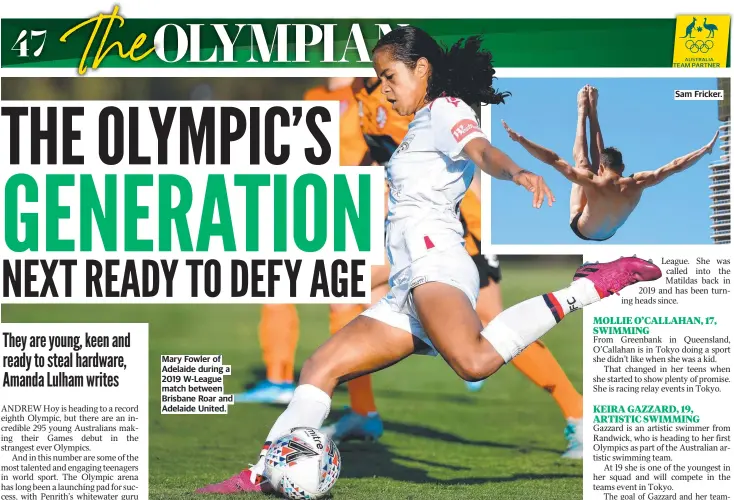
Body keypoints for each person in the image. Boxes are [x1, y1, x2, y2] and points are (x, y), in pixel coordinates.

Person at [196, 27, 661, 493]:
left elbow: (480, 149)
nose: (384, 85)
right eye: (379, 77)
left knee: (475, 361)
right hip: (406, 284)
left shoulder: (445, 109)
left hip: (436, 264)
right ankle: (260, 474)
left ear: (422, 69)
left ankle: (591, 285)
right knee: (320, 367)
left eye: (391, 75)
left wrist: (515, 171)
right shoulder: (406, 122)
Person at [322, 77, 587, 461]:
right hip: (408, 230)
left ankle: (579, 416)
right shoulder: (361, 92)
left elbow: (467, 149)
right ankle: (363, 413)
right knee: (345, 295)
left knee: (491, 320)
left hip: (458, 226)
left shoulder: (406, 87)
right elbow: (383, 158)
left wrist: (511, 175)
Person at [502, 84, 720, 241]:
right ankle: (593, 112)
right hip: (608, 232)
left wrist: (521, 140)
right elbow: (675, 166)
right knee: (588, 171)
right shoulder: (638, 182)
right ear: (622, 168)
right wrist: (704, 150)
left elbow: (553, 160)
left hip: (581, 228)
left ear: (603, 167)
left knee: (582, 165)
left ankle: (582, 111)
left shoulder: (594, 181)